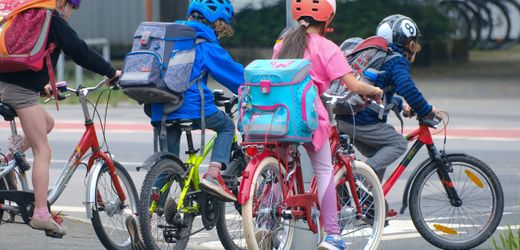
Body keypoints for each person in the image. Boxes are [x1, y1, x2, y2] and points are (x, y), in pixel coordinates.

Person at [0, 0, 121, 236]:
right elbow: (80, 51)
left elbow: (26, 58)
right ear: (62, 2)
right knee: (43, 151)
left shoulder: (27, 14)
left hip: (8, 85)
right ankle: (41, 213)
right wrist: (111, 72)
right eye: (72, 7)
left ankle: (7, 161)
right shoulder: (51, 18)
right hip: (20, 93)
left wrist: (41, 87)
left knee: (48, 123)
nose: (70, 13)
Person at [273, 1, 383, 249]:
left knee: (279, 168)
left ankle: (264, 221)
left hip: (278, 117)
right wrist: (374, 90)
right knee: (323, 170)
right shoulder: (327, 48)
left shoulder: (282, 45)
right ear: (328, 18)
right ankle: (333, 235)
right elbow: (354, 86)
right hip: (308, 117)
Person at [336, 14, 438, 216]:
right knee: (398, 143)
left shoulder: (381, 56)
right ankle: (360, 182)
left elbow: (382, 90)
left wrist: (401, 106)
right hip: (361, 121)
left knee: (378, 152)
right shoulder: (396, 60)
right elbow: (407, 87)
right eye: (413, 42)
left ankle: (367, 203)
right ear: (408, 41)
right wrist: (426, 110)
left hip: (346, 118)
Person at [149, 0, 244, 202]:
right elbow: (236, 77)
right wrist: (258, 87)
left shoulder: (170, 38)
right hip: (190, 107)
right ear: (216, 22)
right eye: (222, 25)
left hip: (160, 107)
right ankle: (213, 174)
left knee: (167, 164)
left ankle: (146, 213)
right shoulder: (204, 44)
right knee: (226, 126)